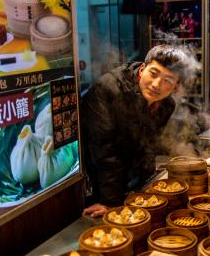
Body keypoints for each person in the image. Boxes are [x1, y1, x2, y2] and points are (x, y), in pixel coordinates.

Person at [81, 45, 194, 217]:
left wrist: (148, 187)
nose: (157, 85)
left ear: (176, 87)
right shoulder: (107, 90)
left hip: (129, 182)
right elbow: (105, 151)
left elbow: (149, 145)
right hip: (98, 182)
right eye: (153, 74)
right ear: (142, 69)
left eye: (168, 80)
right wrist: (111, 202)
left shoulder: (166, 105)